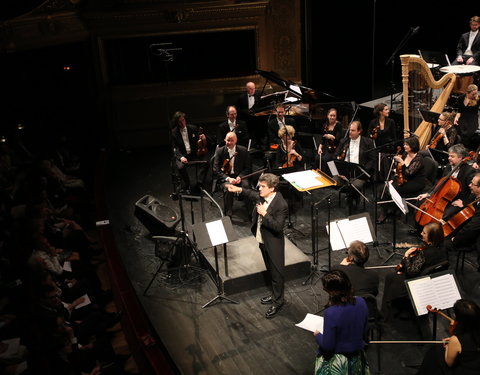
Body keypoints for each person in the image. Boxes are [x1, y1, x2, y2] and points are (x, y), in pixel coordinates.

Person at [226, 173, 288, 318]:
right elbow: (251, 193)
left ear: (272, 188)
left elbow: (278, 227)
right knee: (270, 270)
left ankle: (278, 302)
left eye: (263, 187)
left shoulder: (281, 204)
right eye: (260, 185)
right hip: (262, 240)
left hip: (274, 244)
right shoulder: (262, 195)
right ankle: (274, 296)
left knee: (277, 274)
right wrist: (238, 189)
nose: (260, 189)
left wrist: (265, 214)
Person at [381, 222, 447, 320]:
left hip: (418, 282)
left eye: (424, 233)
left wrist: (406, 256)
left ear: (431, 237)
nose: (421, 233)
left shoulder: (425, 253)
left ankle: (386, 311)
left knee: (390, 277)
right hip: (432, 282)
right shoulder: (444, 248)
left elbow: (411, 272)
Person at [313, 270, 370, 375]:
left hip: (339, 362)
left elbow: (328, 346)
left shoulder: (331, 312)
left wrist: (317, 335)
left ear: (333, 292)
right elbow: (365, 331)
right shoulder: (361, 301)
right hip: (357, 356)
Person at [418, 299, 480, 375]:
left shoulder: (456, 339)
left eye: (455, 315)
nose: (454, 316)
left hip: (468, 370)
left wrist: (449, 346)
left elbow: (449, 363)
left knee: (434, 353)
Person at [417, 144, 475, 220]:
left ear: (460, 158)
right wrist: (428, 194)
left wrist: (464, 202)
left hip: (456, 200)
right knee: (421, 203)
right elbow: (440, 182)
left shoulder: (469, 171)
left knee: (443, 215)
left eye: (452, 156)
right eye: (449, 156)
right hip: (443, 196)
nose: (449, 158)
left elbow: (475, 190)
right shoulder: (448, 166)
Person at [333, 121, 375, 210]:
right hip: (343, 172)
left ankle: (351, 199)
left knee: (355, 185)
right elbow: (334, 157)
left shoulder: (368, 142)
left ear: (359, 131)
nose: (350, 132)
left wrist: (363, 171)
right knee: (334, 180)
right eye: (349, 130)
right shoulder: (343, 141)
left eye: (353, 130)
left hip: (359, 173)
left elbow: (372, 160)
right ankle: (352, 197)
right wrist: (336, 172)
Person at [446, 172, 480, 271]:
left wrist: (455, 239)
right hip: (471, 232)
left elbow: (471, 229)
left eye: (472, 184)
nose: (469, 185)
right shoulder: (474, 197)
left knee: (443, 243)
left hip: (475, 238)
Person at [213, 132, 252, 218]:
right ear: (224, 140)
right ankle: (228, 211)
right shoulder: (220, 151)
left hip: (240, 176)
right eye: (228, 140)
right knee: (229, 188)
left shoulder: (243, 150)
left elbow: (248, 168)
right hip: (226, 178)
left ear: (236, 141)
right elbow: (216, 169)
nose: (229, 142)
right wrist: (228, 178)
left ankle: (250, 210)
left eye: (232, 140)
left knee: (246, 186)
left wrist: (240, 177)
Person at [170, 111, 210, 192]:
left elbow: (201, 142)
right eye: (180, 122)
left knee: (206, 162)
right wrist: (181, 157)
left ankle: (199, 183)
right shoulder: (174, 132)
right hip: (183, 155)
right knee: (180, 167)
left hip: (194, 153)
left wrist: (204, 139)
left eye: (183, 120)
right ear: (177, 122)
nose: (182, 123)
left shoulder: (193, 128)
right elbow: (175, 148)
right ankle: (187, 185)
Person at [454, 84, 480, 150]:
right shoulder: (461, 98)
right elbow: (459, 111)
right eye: (473, 94)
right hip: (463, 118)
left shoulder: (478, 99)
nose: (475, 95)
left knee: (468, 134)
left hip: (472, 120)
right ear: (467, 92)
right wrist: (456, 118)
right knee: (459, 132)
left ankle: (467, 151)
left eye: (476, 93)